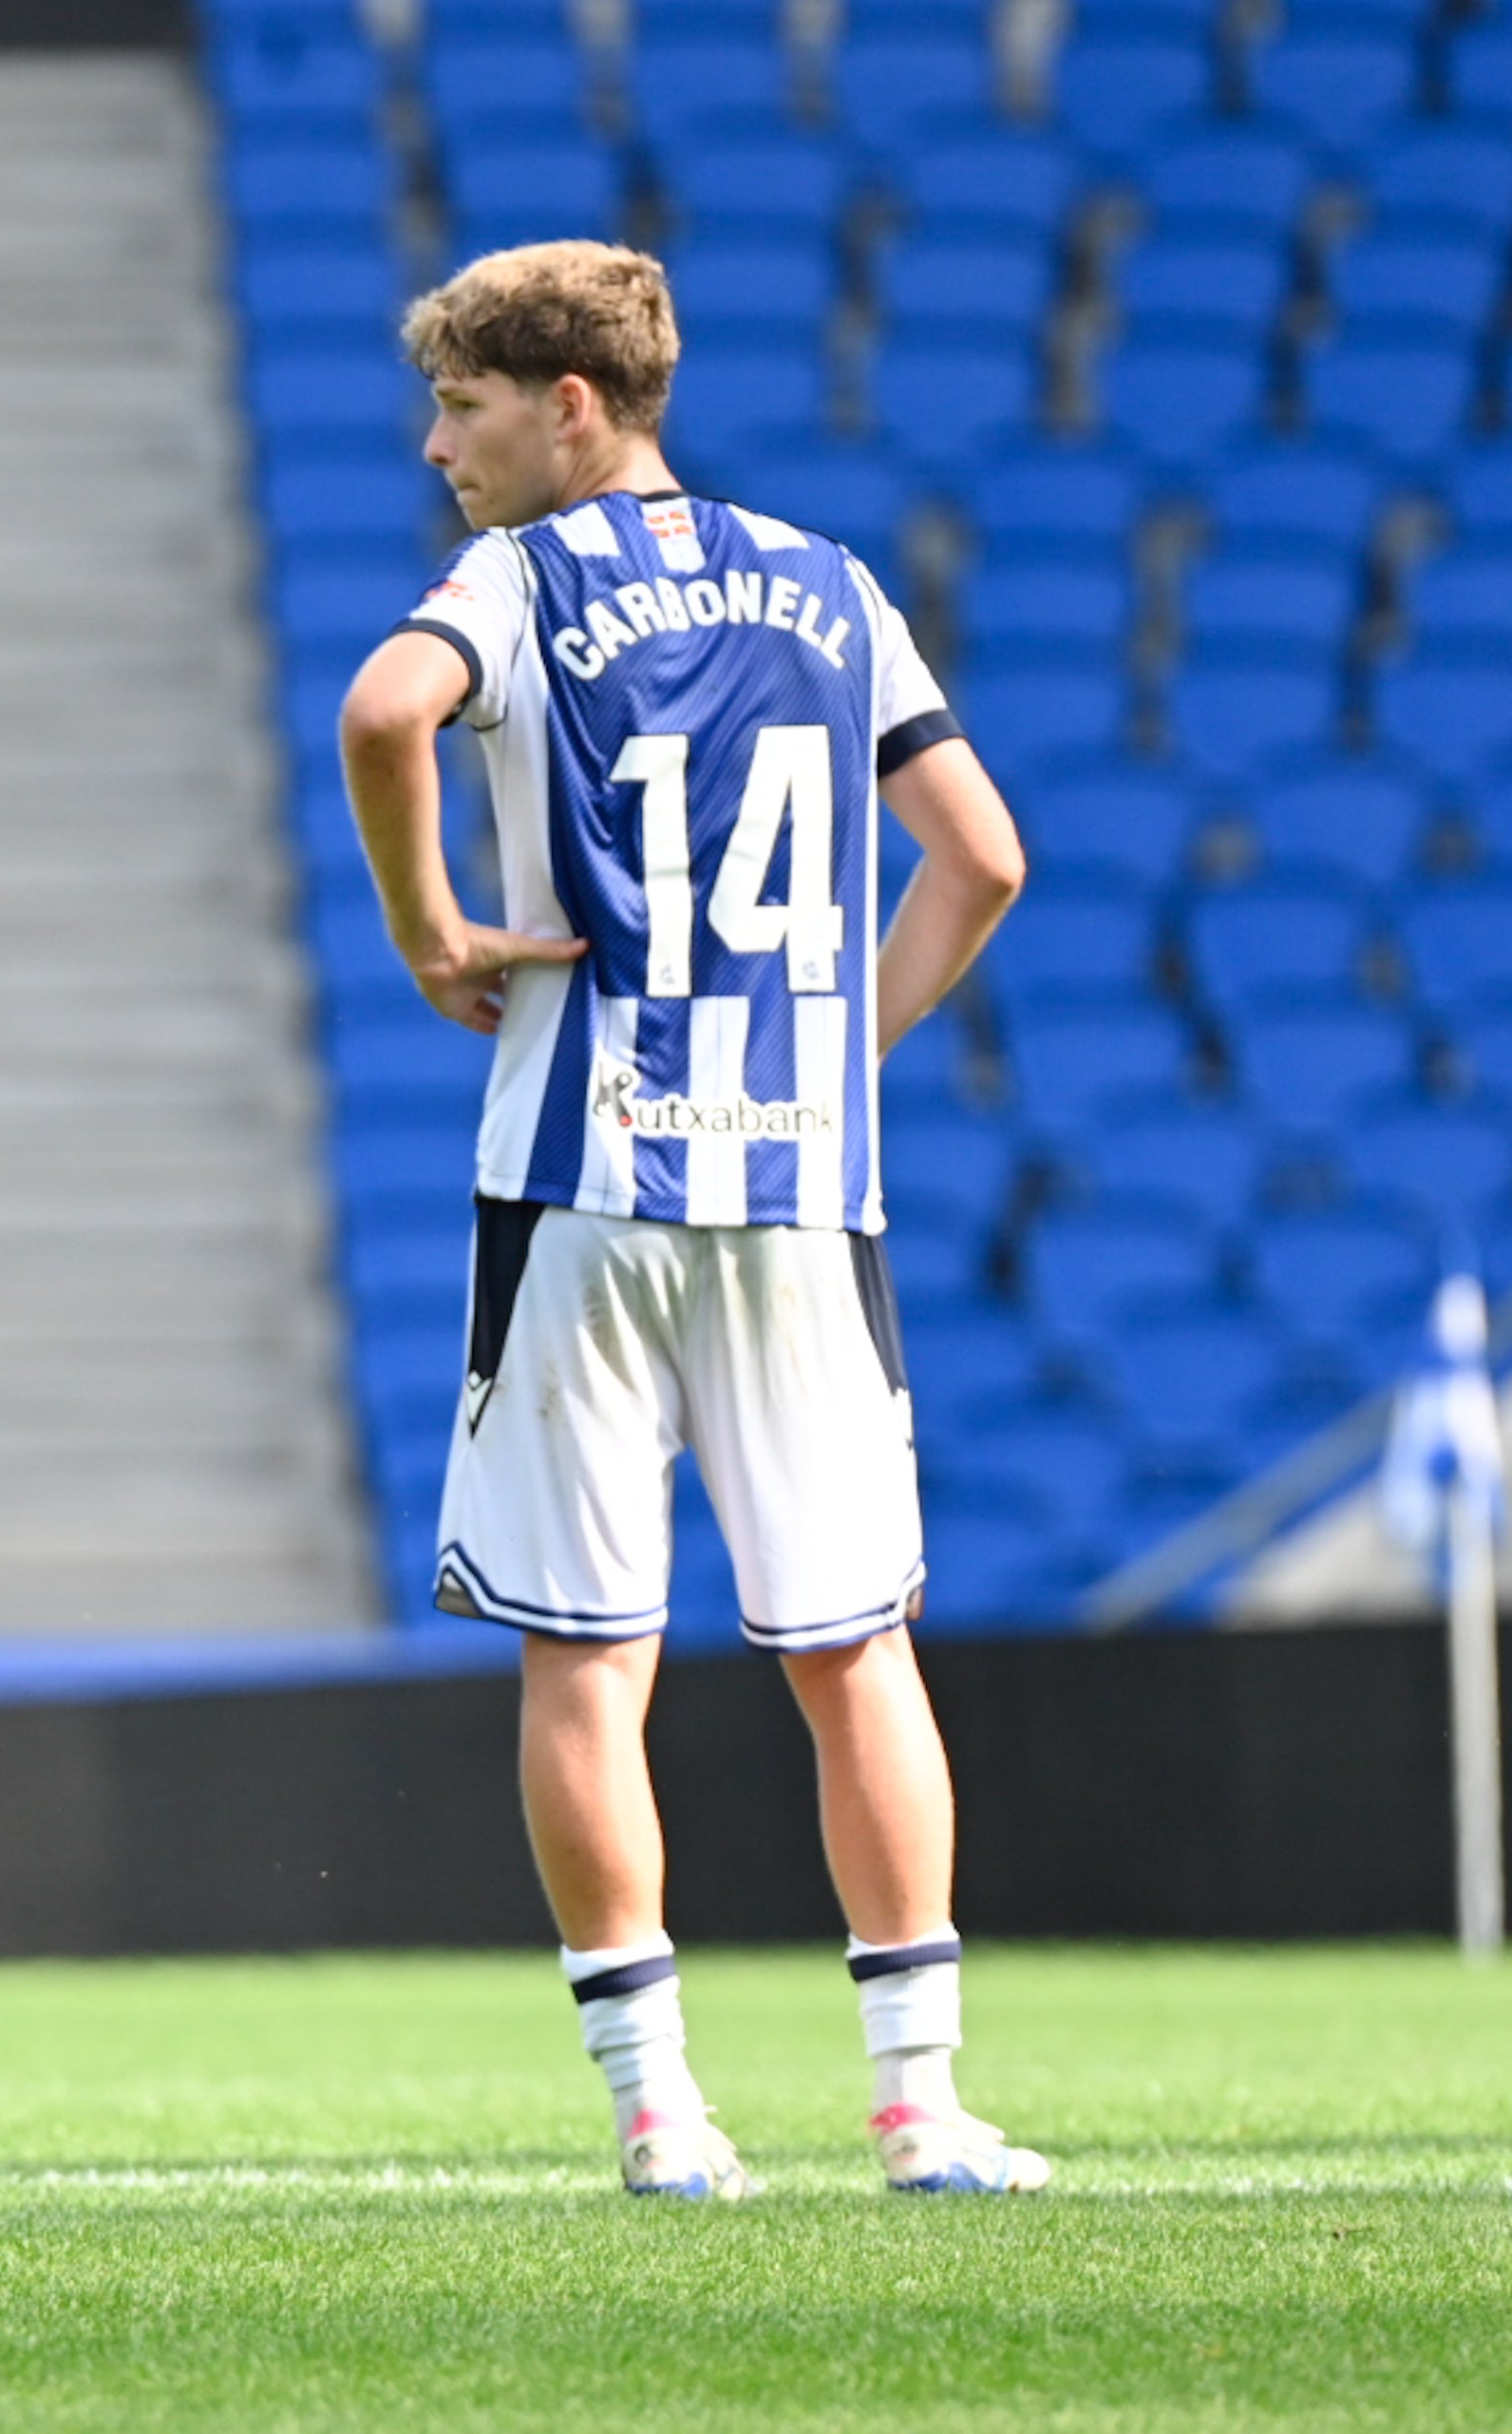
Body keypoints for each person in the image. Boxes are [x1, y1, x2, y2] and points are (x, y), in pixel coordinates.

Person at [333, 241, 1043, 2199]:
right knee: (853, 1643)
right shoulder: (830, 583)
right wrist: (838, 1048)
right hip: (792, 1185)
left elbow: (384, 714)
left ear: (572, 407)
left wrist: (426, 934)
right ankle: (918, 2106)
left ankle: (658, 2114)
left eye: (463, 405)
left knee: (585, 1654)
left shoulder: (511, 580)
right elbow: (981, 856)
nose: (434, 444)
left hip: (579, 1178)